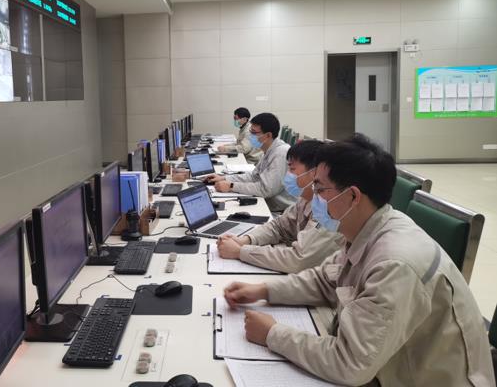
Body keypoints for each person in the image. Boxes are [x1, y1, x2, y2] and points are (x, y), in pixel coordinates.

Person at [224, 134, 495, 387]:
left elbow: (350, 363)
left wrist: (272, 334)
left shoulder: (394, 263)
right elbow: (325, 280)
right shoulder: (368, 226)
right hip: (386, 365)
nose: (313, 196)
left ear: (353, 196)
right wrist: (263, 290)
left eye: (319, 189)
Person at [217, 139, 343, 273]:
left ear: (314, 173)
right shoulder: (305, 199)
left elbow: (298, 260)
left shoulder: (329, 210)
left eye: (292, 169)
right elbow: (279, 226)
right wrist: (245, 240)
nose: (288, 174)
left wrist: (240, 251)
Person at [206, 113, 294, 214]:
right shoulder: (269, 149)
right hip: (267, 202)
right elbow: (254, 176)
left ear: (268, 135)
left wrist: (231, 186)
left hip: (279, 211)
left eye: (254, 133)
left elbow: (266, 190)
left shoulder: (280, 154)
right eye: (250, 132)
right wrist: (224, 178)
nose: (251, 136)